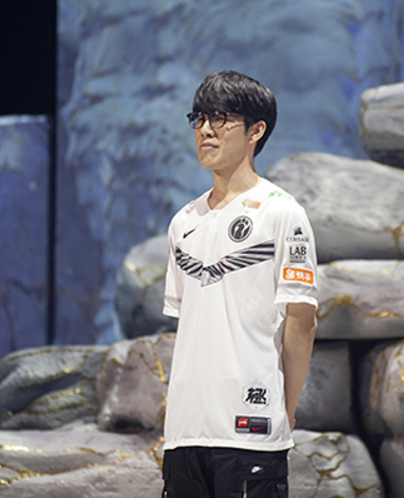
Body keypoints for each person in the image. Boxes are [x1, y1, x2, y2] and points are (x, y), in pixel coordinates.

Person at [161, 70, 318, 497]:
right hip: (183, 434)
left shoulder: (282, 212)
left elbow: (302, 323)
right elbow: (188, 327)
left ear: (256, 130)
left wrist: (284, 411)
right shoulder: (183, 222)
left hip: (251, 431)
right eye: (198, 118)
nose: (205, 130)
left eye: (220, 118)